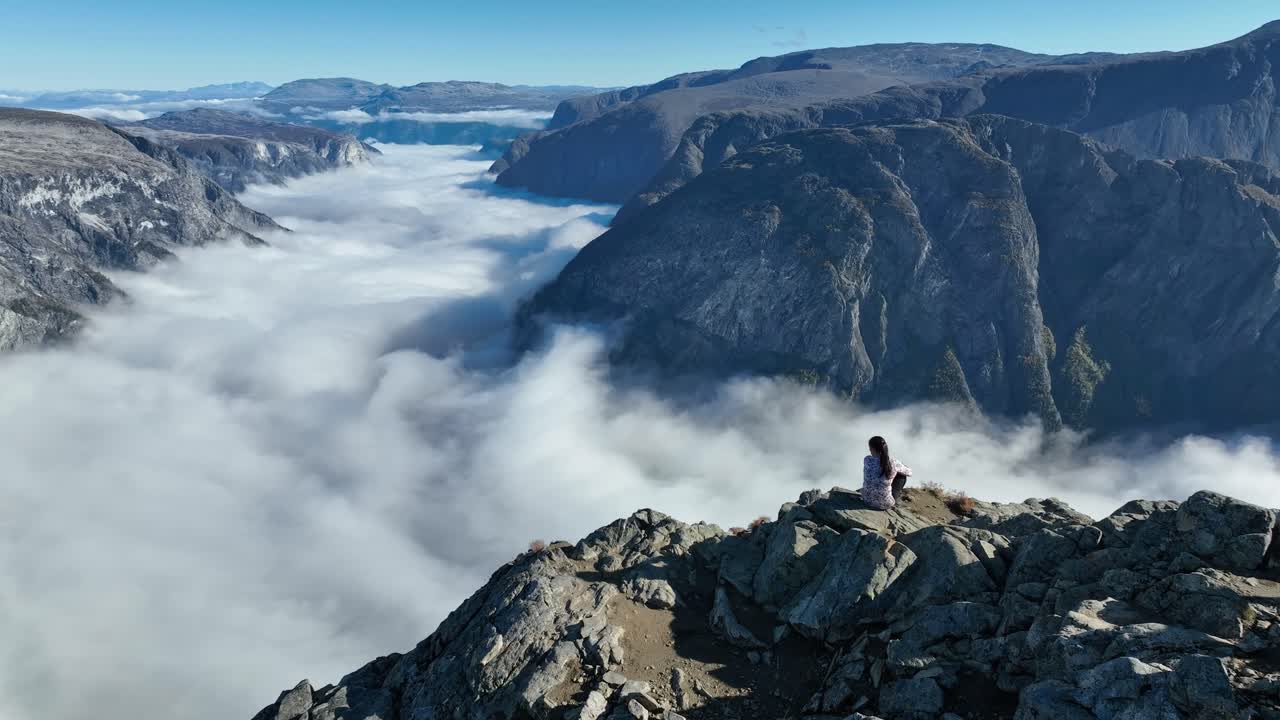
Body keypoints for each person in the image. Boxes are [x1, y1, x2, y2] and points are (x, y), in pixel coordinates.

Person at [862, 435, 912, 510]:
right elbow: (909, 473)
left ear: (871, 448)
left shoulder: (867, 459)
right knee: (901, 476)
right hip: (885, 504)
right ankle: (895, 499)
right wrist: (901, 466)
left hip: (867, 500)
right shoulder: (893, 462)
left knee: (881, 475)